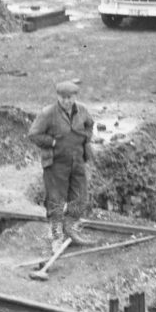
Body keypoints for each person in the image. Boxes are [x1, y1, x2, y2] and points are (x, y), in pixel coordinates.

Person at [28, 79, 95, 253]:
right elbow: (34, 134)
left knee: (80, 197)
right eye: (63, 97)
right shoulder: (48, 113)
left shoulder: (82, 111)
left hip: (77, 161)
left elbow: (90, 124)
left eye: (70, 97)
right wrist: (53, 141)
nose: (66, 101)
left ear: (75, 96)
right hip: (56, 163)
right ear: (58, 96)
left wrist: (86, 137)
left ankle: (70, 226)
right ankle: (57, 235)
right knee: (56, 199)